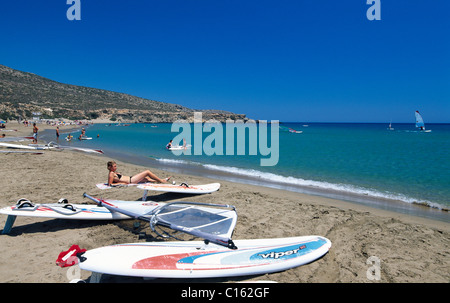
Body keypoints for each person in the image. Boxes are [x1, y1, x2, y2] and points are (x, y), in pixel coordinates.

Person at [107, 161, 171, 186]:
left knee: (146, 179)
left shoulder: (113, 172)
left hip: (131, 178)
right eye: (114, 166)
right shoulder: (111, 174)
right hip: (131, 181)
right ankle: (161, 181)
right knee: (147, 172)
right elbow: (110, 184)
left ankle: (162, 180)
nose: (116, 167)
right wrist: (122, 183)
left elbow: (115, 180)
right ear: (110, 167)